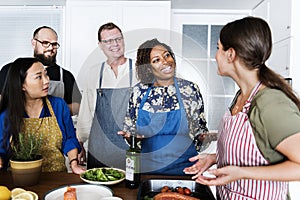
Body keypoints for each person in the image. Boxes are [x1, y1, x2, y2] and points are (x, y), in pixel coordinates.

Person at [184, 16, 300, 200]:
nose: (215, 56)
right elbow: (255, 152)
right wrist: (215, 158)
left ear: (231, 54)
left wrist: (242, 173)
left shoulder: (271, 103)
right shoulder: (241, 97)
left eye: (218, 48)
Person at [118, 38, 209, 175]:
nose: (165, 61)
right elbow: (130, 131)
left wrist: (206, 137)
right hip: (147, 169)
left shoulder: (190, 89)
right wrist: (131, 138)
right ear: (148, 67)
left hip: (186, 167)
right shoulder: (139, 92)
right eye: (156, 60)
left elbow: (199, 132)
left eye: (167, 55)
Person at [0, 57, 85, 174]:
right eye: (39, 77)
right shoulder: (7, 115)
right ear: (22, 85)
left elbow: (69, 139)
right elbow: (2, 149)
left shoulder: (59, 106)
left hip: (56, 176)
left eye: (46, 75)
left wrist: (74, 163)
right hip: (20, 178)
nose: (46, 81)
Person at [76, 22, 138, 169]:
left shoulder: (138, 70)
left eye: (118, 39)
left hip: (132, 147)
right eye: (108, 41)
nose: (115, 44)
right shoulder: (93, 73)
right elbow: (87, 110)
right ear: (100, 45)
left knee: (130, 189)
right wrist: (80, 142)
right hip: (100, 148)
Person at [0, 26, 81, 116]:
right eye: (45, 43)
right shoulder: (10, 70)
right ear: (34, 43)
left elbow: (78, 106)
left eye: (54, 44)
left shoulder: (66, 76)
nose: (50, 48)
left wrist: (56, 110)